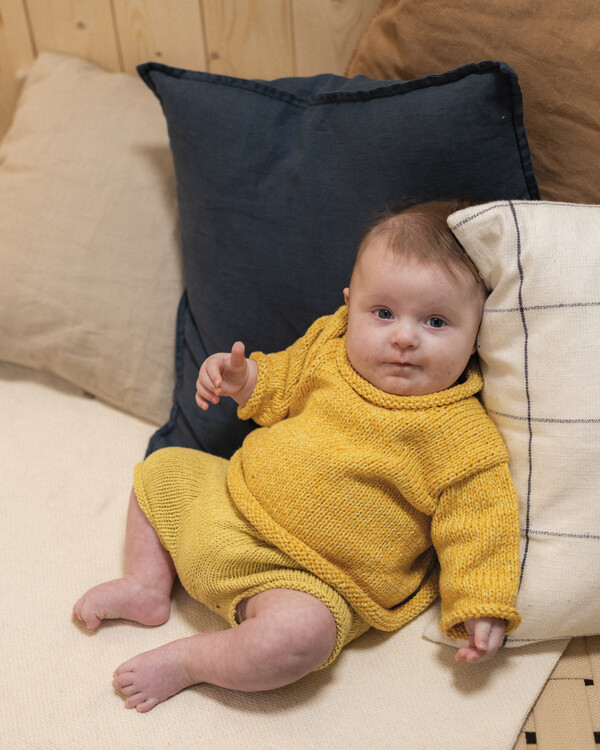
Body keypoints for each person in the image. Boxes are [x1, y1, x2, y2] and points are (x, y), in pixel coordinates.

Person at [73, 200, 521, 713]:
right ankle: (147, 584)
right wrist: (243, 379)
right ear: (350, 305)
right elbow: (279, 383)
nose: (403, 337)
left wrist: (480, 605)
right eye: (382, 313)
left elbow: (481, 528)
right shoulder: (329, 347)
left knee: (297, 638)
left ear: (478, 333)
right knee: (163, 468)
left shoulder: (464, 439)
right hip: (227, 501)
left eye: (436, 322)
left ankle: (190, 662)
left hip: (305, 581)